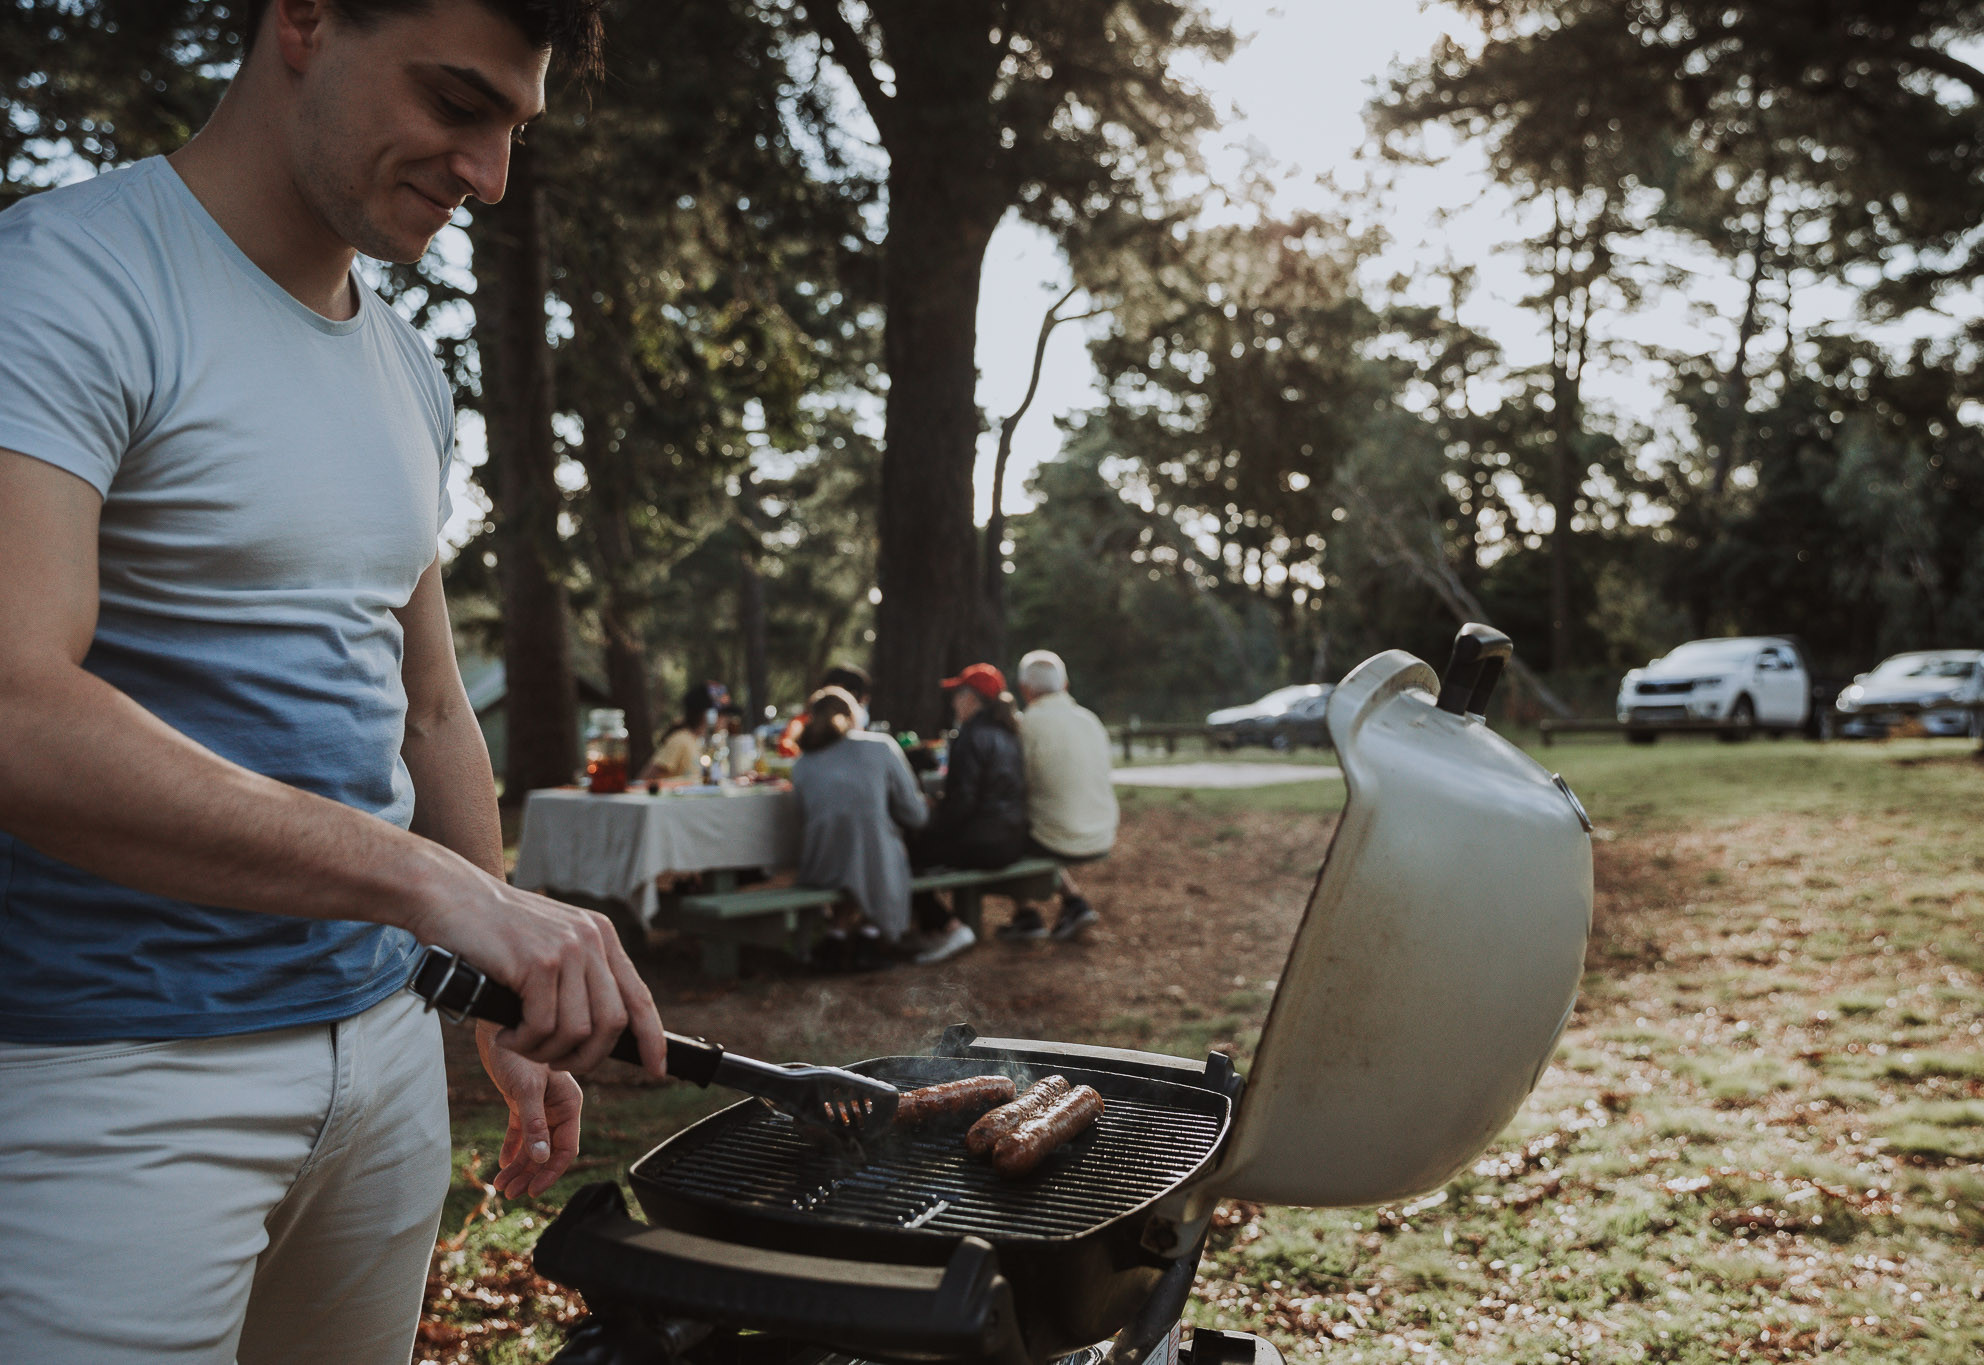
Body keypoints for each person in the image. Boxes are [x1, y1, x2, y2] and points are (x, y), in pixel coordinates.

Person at [0, 4, 665, 1363]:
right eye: (456, 103)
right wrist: (436, 889)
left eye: (513, 132)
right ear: (303, 18)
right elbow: (15, 705)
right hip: (107, 1078)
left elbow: (428, 708)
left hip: (383, 1055)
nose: (487, 175)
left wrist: (502, 991)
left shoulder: (404, 371)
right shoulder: (59, 283)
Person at [788, 686, 928, 969]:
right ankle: (871, 934)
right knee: (874, 845)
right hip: (873, 863)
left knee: (853, 844)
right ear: (855, 715)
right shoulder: (879, 746)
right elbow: (915, 815)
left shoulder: (802, 764)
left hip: (821, 864)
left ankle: (837, 933)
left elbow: (801, 818)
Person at [908, 662, 1029, 964]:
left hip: (984, 844)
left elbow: (962, 805)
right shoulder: (1009, 732)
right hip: (1013, 840)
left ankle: (946, 927)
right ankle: (932, 928)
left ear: (971, 698)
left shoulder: (970, 736)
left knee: (905, 854)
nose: (952, 702)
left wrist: (930, 822)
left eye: (957, 694)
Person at [997, 649, 1119, 942]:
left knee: (1007, 831)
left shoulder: (1026, 726)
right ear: (1065, 685)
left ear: (1025, 689)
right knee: (1046, 821)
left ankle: (1026, 914)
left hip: (1058, 837)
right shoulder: (1090, 720)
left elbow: (1014, 786)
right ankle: (1073, 902)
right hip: (1103, 829)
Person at [778, 661, 872, 756]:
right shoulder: (804, 722)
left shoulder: (855, 726)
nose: (862, 703)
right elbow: (786, 747)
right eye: (858, 696)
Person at [641, 682, 715, 781]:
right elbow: (645, 780)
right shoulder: (680, 740)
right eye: (720, 712)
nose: (725, 719)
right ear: (706, 714)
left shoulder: (695, 741)